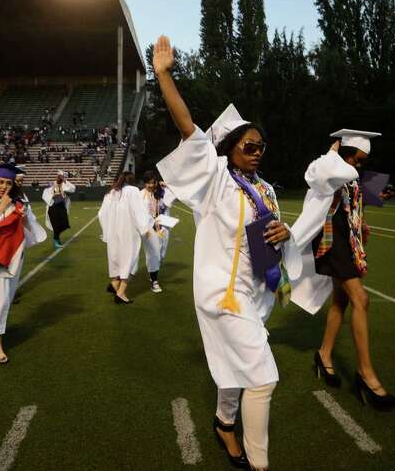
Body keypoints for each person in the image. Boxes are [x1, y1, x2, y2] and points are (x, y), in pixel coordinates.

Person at [153, 35, 299, 471]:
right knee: (263, 376)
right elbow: (189, 130)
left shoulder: (266, 189)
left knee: (235, 366)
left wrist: (284, 232)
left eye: (261, 147)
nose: (256, 153)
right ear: (230, 149)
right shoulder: (216, 179)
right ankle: (259, 463)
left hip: (255, 292)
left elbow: (271, 234)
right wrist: (164, 76)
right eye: (248, 146)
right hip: (223, 293)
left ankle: (224, 422)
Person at [289, 130, 395, 411]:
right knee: (361, 299)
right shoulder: (325, 168)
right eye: (356, 159)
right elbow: (319, 177)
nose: (358, 165)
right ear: (344, 152)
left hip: (345, 240)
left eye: (362, 162)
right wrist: (333, 152)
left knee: (342, 300)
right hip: (330, 241)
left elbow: (349, 203)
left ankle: (324, 355)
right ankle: (365, 374)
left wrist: (368, 208)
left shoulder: (348, 175)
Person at [0, 164, 47, 364]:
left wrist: (24, 219)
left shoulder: (19, 203)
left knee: (2, 299)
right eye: (1, 182)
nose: (4, 186)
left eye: (8, 183)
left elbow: (32, 230)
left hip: (12, 259)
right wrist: (1, 208)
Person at [97, 171, 153, 305]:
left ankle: (114, 285)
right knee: (130, 261)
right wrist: (145, 228)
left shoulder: (111, 192)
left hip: (113, 233)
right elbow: (138, 211)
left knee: (116, 260)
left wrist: (106, 231)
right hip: (128, 232)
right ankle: (120, 293)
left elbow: (101, 214)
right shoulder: (133, 191)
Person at [140, 171, 175, 294]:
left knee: (161, 254)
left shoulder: (160, 192)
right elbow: (139, 213)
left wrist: (167, 186)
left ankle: (153, 272)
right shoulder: (141, 195)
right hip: (149, 229)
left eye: (153, 182)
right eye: (148, 183)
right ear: (144, 183)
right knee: (153, 253)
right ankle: (154, 280)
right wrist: (149, 225)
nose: (151, 185)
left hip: (163, 226)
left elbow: (174, 196)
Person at [41, 170, 75, 249]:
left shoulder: (64, 185)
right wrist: (52, 196)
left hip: (62, 208)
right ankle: (56, 240)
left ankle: (57, 237)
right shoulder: (51, 185)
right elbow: (45, 195)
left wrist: (66, 181)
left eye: (62, 177)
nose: (60, 178)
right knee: (55, 225)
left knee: (64, 224)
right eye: (59, 176)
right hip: (53, 207)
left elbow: (73, 188)